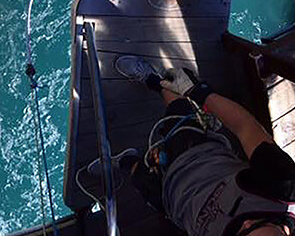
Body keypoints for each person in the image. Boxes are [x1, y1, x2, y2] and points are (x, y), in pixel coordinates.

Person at [107, 55, 295, 236]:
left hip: (171, 203)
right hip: (197, 156)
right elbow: (245, 127)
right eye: (257, 225)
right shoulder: (282, 187)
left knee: (138, 175)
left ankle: (123, 160)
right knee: (178, 109)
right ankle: (154, 80)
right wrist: (198, 92)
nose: (245, 222)